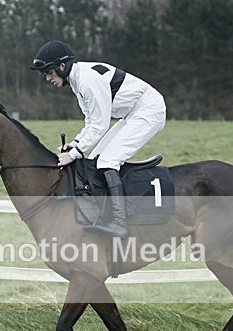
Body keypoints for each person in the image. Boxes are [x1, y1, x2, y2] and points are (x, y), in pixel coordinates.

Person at [30, 40, 166, 238]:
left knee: (107, 161)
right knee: (95, 160)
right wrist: (74, 145)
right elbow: (91, 122)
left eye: (49, 72)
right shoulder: (77, 81)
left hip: (148, 110)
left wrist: (74, 154)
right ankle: (104, 214)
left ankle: (119, 222)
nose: (48, 78)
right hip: (132, 114)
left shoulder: (87, 81)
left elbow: (100, 126)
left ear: (62, 66)